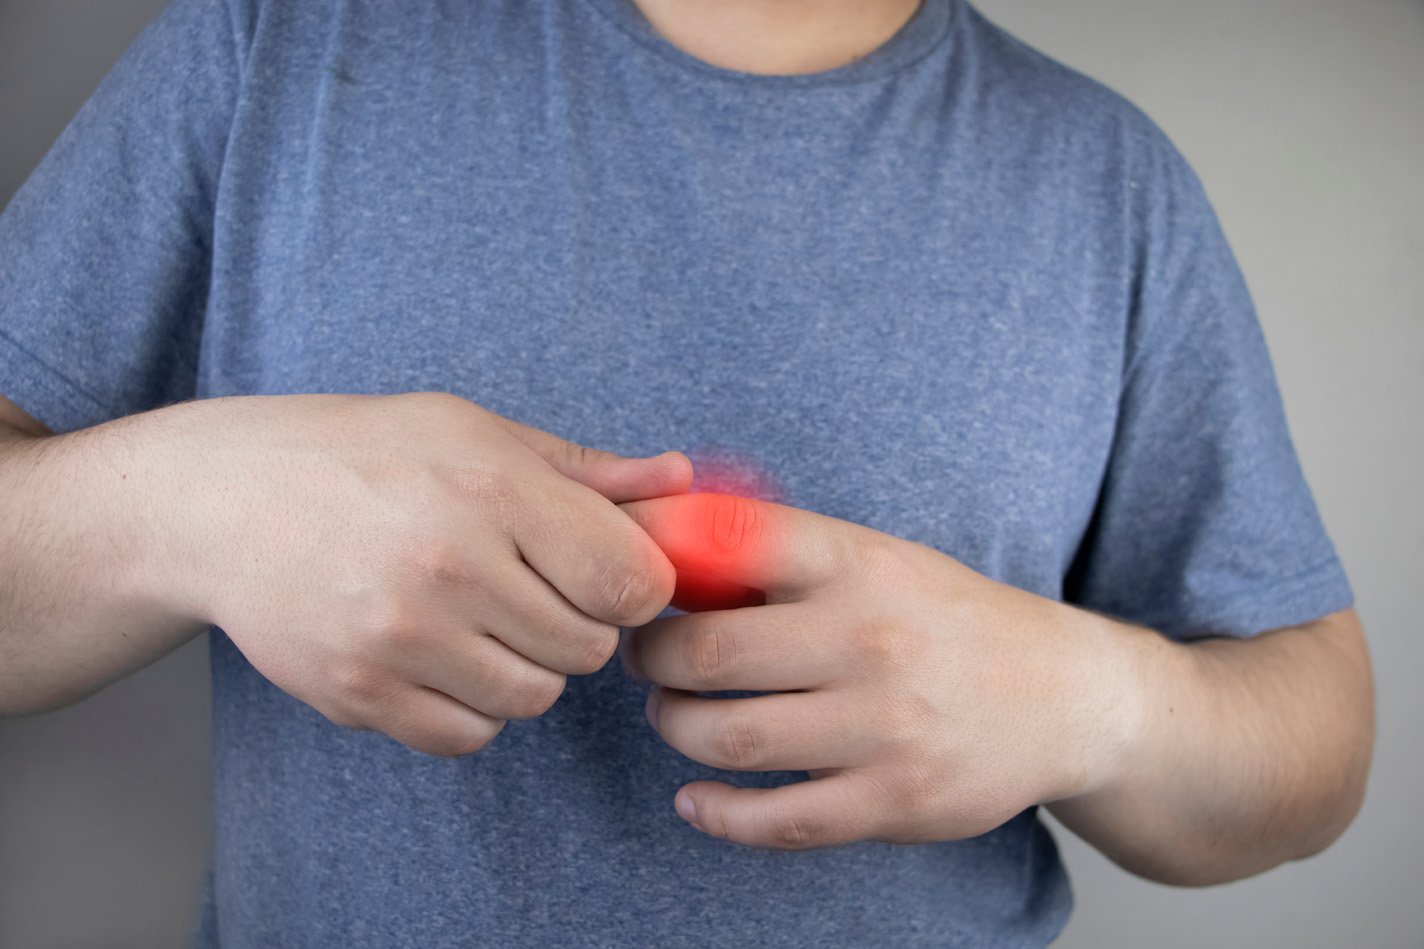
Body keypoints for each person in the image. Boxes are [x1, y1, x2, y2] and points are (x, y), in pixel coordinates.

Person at [0, 0, 1374, 945]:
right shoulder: (281, 37)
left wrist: (1090, 699)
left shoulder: (1111, 183)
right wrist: (195, 504)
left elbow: (1317, 738)